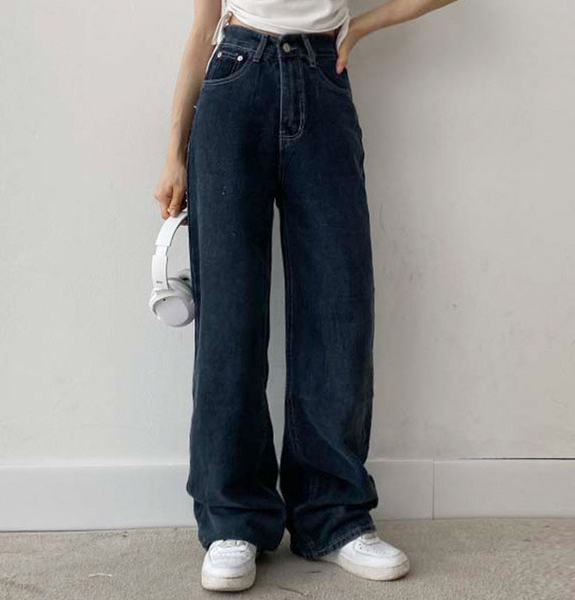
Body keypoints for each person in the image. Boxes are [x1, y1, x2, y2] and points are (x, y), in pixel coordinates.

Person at [154, 0, 458, 592]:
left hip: (322, 80)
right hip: (234, 78)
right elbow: (203, 27)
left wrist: (361, 26)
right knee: (230, 318)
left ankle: (333, 517)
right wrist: (173, 152)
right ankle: (232, 519)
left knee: (339, 307)